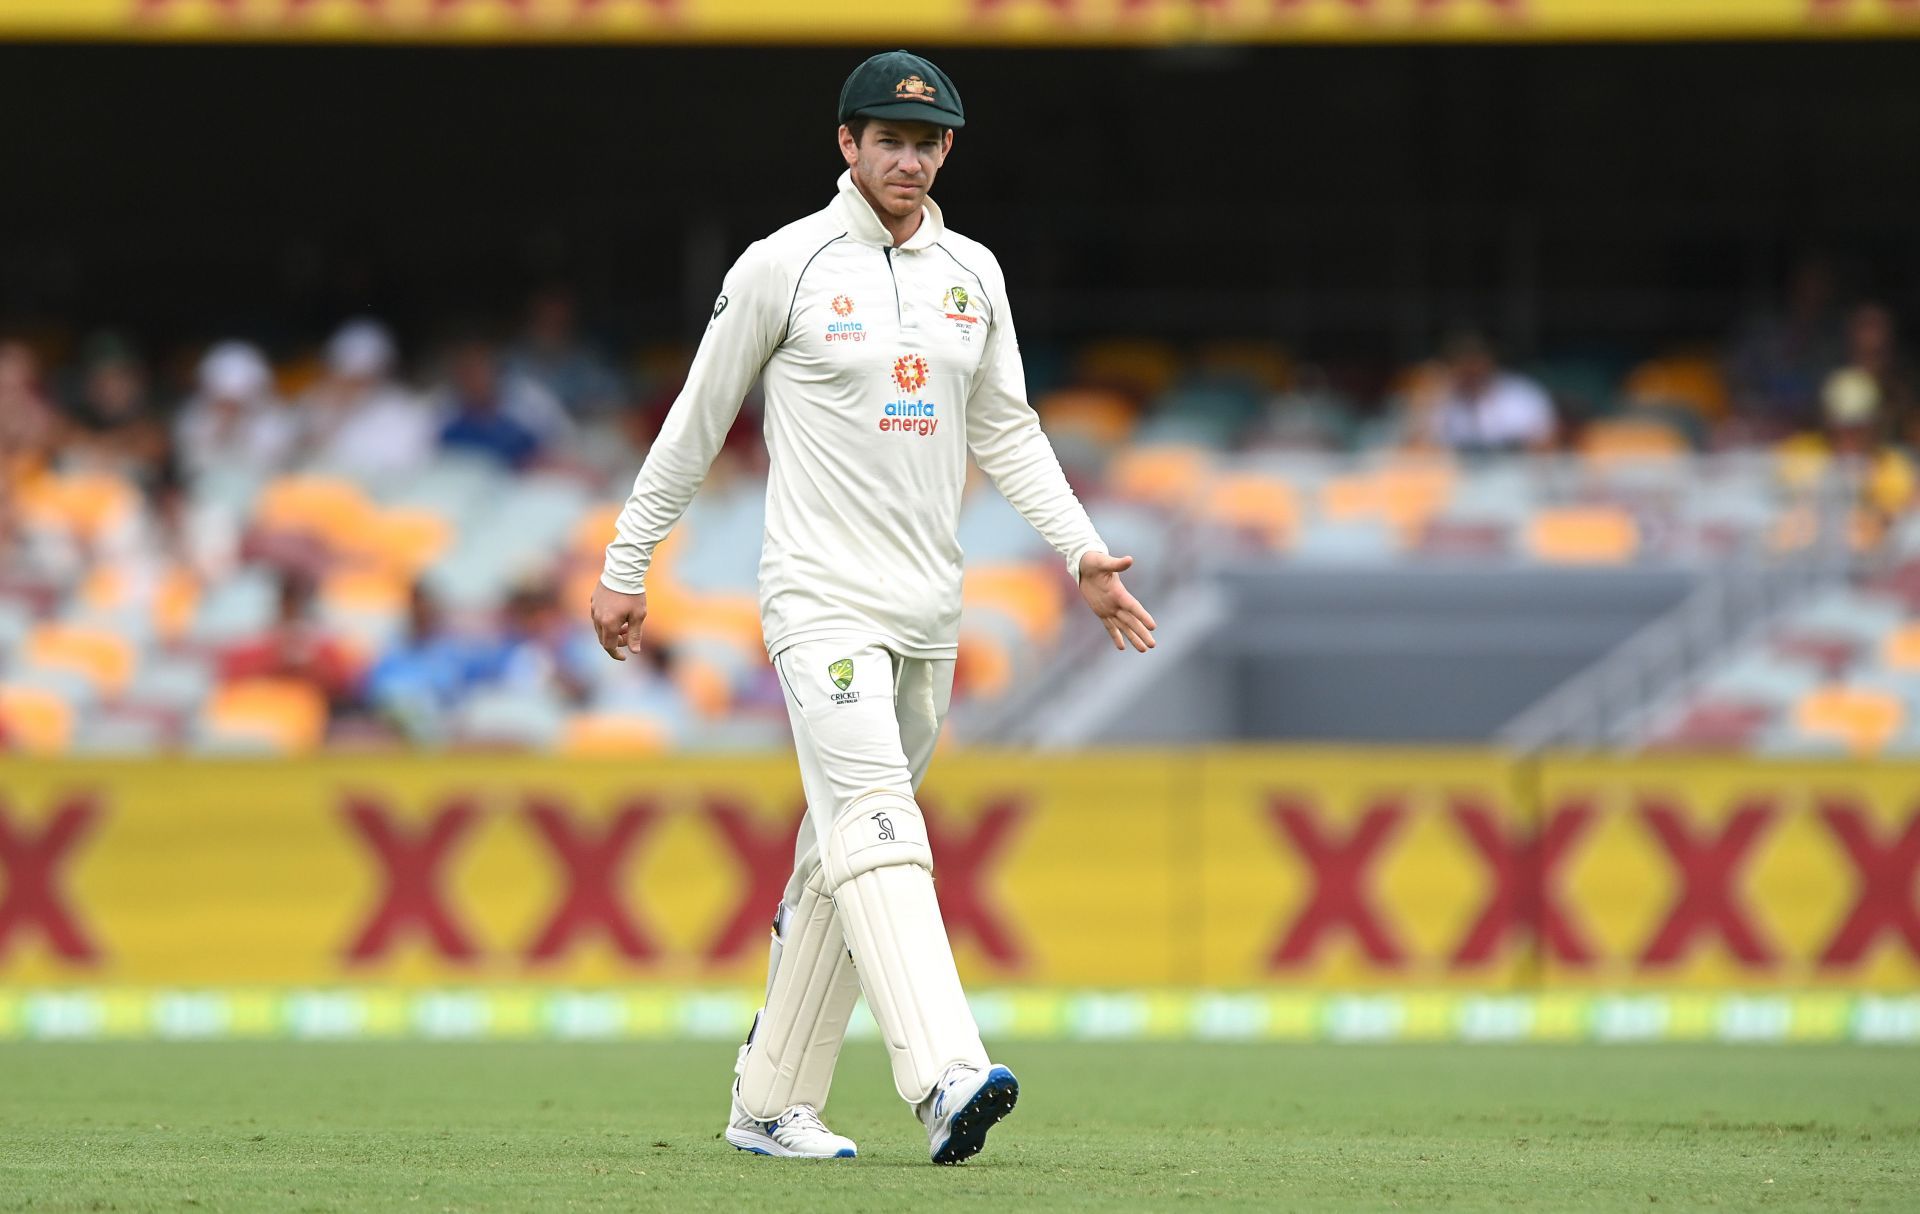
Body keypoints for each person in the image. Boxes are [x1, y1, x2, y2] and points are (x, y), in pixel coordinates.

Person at [589, 50, 1156, 1165]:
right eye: (888, 139)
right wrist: (626, 558)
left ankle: (767, 1103)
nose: (909, 158)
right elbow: (696, 422)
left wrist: (1084, 551)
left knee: (840, 853)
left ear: (948, 152)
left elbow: (1008, 428)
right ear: (845, 145)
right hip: (819, 599)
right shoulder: (782, 265)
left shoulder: (972, 273)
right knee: (883, 828)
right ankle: (945, 1073)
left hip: (927, 611)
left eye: (928, 141)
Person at [1417, 330, 1557, 454]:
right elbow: (1417, 451)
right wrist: (1427, 400)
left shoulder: (1522, 395)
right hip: (1458, 476)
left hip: (1515, 473)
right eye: (1462, 364)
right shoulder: (1438, 396)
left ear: (1490, 361)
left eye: (1475, 361)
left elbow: (1546, 446)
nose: (1470, 370)